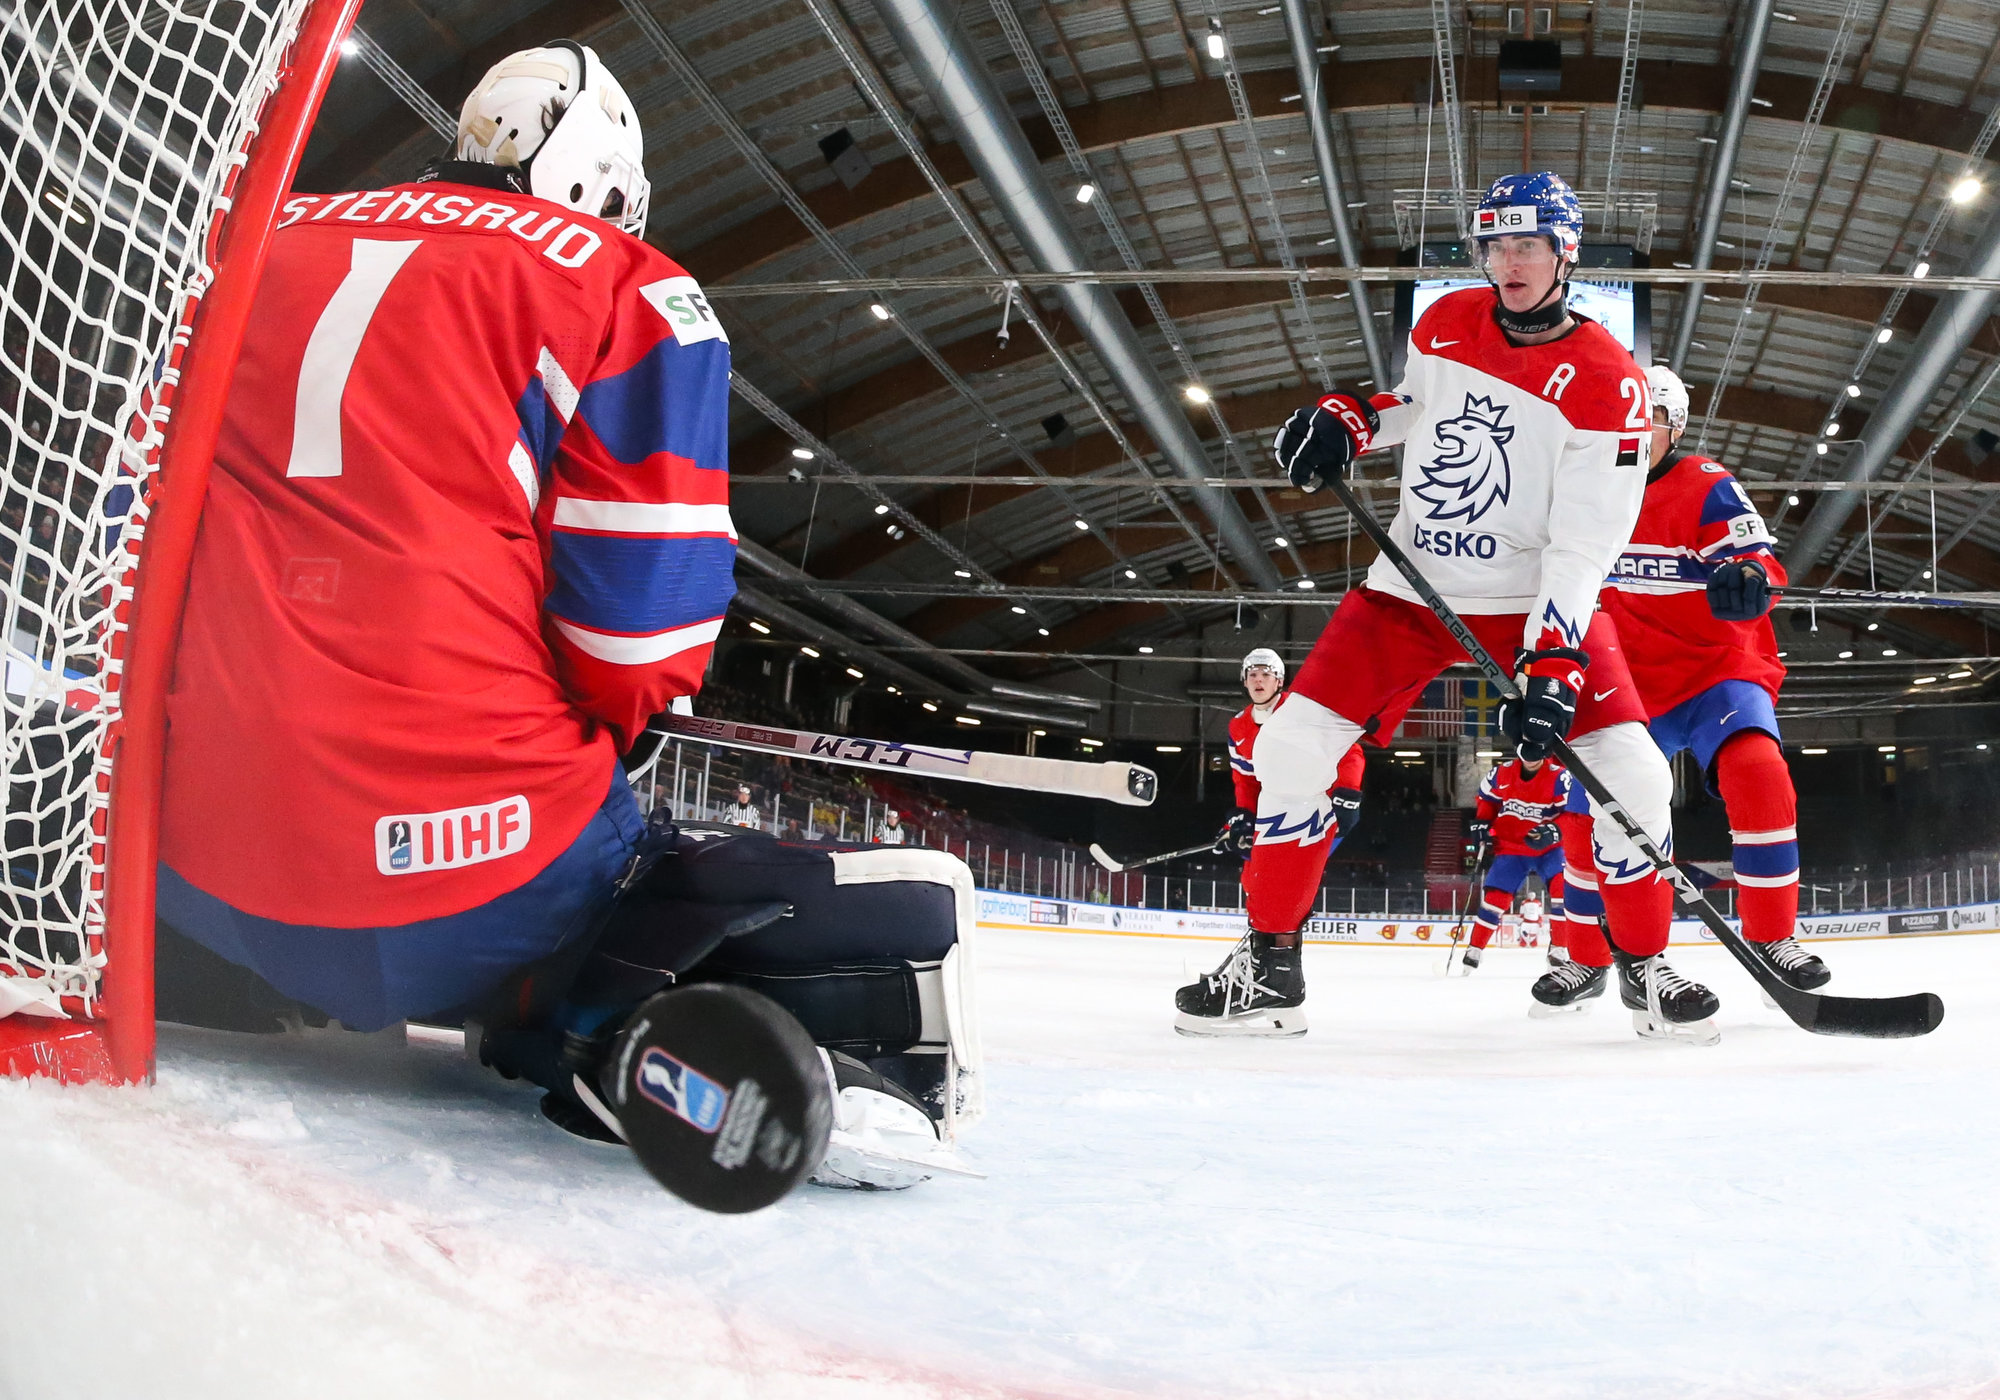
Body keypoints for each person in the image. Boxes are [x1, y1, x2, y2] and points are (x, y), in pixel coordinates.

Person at [151, 43, 976, 1196]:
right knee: (663, 869)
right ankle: (598, 1031)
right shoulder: (626, 283)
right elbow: (636, 635)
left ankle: (252, 968)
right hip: (472, 878)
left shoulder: (261, 235)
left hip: (187, 855)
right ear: (598, 176)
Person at [1186, 170, 1717, 1044]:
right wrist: (1350, 419)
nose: (1508, 262)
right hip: (1410, 586)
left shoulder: (1610, 385)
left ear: (1564, 252)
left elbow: (1585, 544)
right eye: (1495, 246)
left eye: (1528, 245)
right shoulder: (1443, 321)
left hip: (1530, 605)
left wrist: (1552, 665)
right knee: (1290, 745)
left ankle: (1644, 966)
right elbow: (1419, 410)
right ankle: (1269, 968)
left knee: (1635, 776)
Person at [1578, 363, 1829, 991]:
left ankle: (1773, 936)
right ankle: (1590, 956)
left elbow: (1757, 559)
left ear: (1676, 427)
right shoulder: (1581, 487)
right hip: (1622, 683)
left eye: (1650, 419)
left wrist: (1751, 580)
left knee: (1759, 774)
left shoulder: (1704, 483)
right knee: (1587, 816)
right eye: (1623, 416)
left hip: (1715, 671)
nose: (1634, 429)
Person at [1173, 646, 1364, 1036]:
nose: (1259, 681)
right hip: (1275, 812)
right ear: (1245, 681)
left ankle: (1274, 985)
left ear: (1280, 680)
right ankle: (1267, 976)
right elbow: (1246, 781)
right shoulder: (1239, 727)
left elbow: (1348, 749)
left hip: (1315, 808)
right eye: (1252, 675)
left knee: (1283, 892)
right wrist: (1243, 818)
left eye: (1266, 674)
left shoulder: (1299, 712)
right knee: (1257, 884)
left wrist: (1348, 791)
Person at [1459, 753, 1572, 973]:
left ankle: (1559, 947)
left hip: (1549, 848)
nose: (1530, 757)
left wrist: (1555, 829)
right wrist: (1481, 822)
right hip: (1511, 845)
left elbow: (1572, 813)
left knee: (1563, 892)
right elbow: (1487, 799)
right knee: (1495, 899)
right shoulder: (1501, 773)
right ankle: (1475, 948)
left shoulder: (1559, 777)